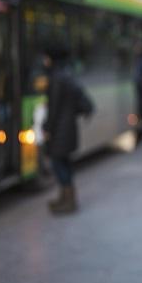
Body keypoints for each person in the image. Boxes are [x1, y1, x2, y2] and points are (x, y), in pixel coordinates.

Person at [43, 42, 93, 214]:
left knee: (58, 164)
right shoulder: (67, 75)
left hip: (60, 130)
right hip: (68, 128)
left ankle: (68, 200)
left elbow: (54, 107)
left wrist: (47, 128)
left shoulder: (57, 77)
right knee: (64, 163)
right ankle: (65, 198)